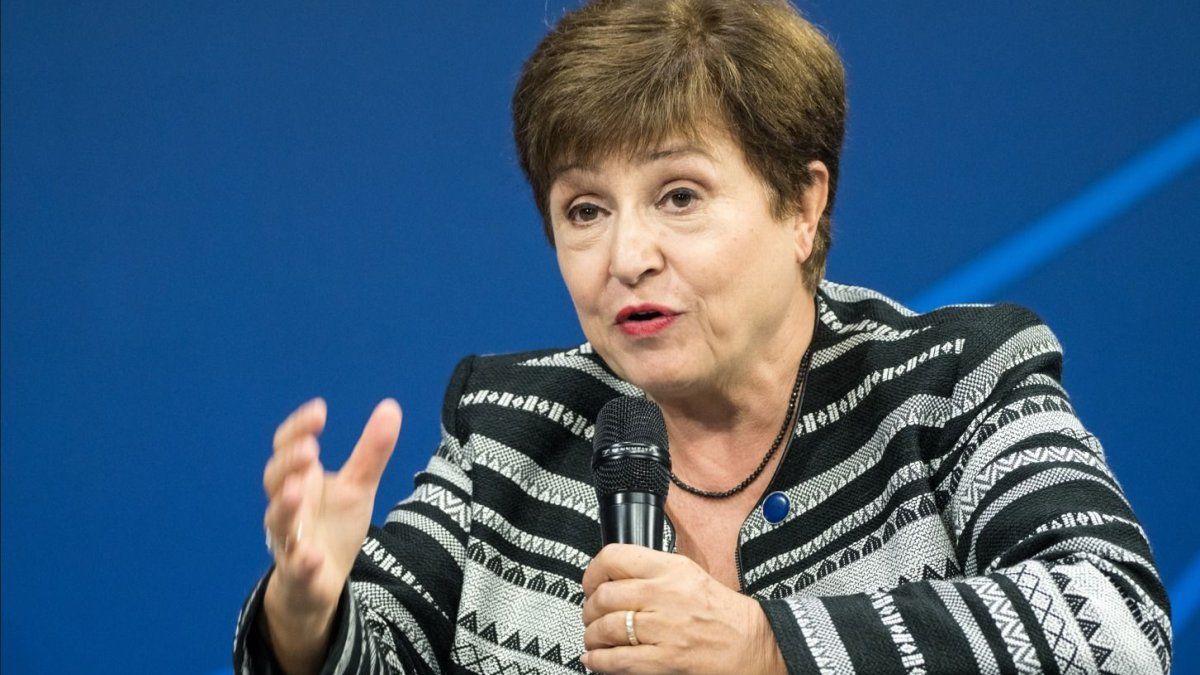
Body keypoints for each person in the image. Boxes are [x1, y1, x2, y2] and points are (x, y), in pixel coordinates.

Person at [235, 1, 1172, 673]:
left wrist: (768, 647)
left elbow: (1116, 627)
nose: (626, 257)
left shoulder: (953, 383)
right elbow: (379, 650)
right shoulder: (510, 428)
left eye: (678, 196)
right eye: (585, 209)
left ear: (802, 204)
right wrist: (307, 617)